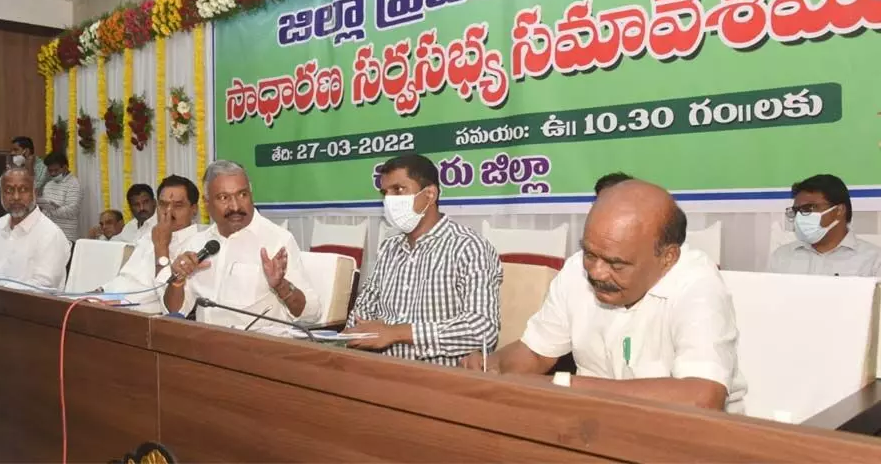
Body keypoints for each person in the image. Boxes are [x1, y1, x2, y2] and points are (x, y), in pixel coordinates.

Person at [462, 180, 747, 413]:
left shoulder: (698, 284)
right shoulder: (576, 270)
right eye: (589, 253)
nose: (596, 272)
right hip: (592, 424)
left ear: (667, 257)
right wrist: (494, 365)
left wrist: (566, 386)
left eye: (616, 264)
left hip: (686, 439)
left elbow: (702, 398)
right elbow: (536, 352)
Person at [342, 153, 502, 367]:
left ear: (430, 194)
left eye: (398, 189)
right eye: (385, 193)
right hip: (380, 372)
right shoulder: (389, 248)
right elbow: (361, 314)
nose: (389, 200)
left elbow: (482, 328)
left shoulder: (468, 247)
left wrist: (396, 333)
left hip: (440, 380)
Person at [162, 161, 321, 334]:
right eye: (223, 198)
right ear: (206, 203)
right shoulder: (196, 245)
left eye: (242, 195)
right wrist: (177, 281)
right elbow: (174, 312)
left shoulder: (277, 240)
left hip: (258, 349)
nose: (236, 206)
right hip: (206, 345)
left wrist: (281, 286)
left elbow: (312, 314)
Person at [101, 176, 201, 314]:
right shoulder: (151, 234)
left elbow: (170, 307)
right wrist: (100, 292)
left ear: (194, 209)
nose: (168, 211)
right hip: (110, 302)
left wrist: (161, 248)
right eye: (163, 204)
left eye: (178, 205)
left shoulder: (198, 245)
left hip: (138, 315)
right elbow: (127, 277)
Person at [768, 174, 880, 276]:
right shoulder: (782, 257)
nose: (800, 217)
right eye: (796, 210)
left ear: (839, 210)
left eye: (809, 208)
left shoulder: (874, 260)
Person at [0, 168, 70, 290]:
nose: (16, 197)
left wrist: (1, 291)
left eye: (23, 190)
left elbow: (44, 286)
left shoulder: (50, 234)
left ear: (35, 193)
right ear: (1, 194)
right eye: (9, 190)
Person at [37, 152, 82, 246]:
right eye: (50, 171)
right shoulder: (48, 185)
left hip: (66, 236)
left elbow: (72, 210)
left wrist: (51, 209)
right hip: (48, 234)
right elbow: (45, 210)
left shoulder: (74, 184)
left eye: (56, 170)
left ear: (65, 167)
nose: (53, 173)